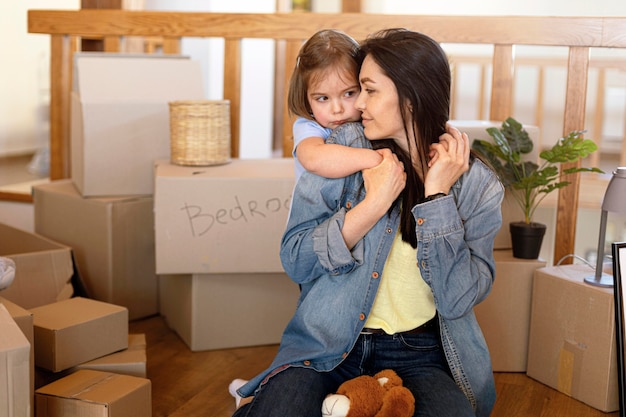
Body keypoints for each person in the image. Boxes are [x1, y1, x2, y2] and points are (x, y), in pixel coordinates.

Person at [231, 28, 503, 417]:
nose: (356, 104)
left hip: (421, 353)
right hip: (327, 344)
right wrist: (372, 205)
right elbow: (295, 261)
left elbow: (458, 299)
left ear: (410, 96)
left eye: (368, 90)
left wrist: (438, 196)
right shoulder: (339, 151)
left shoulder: (477, 185)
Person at [287, 29, 382, 180]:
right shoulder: (309, 126)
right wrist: (375, 159)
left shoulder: (368, 120)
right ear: (306, 99)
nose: (337, 109)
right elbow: (313, 159)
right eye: (323, 98)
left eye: (349, 94)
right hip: (317, 203)